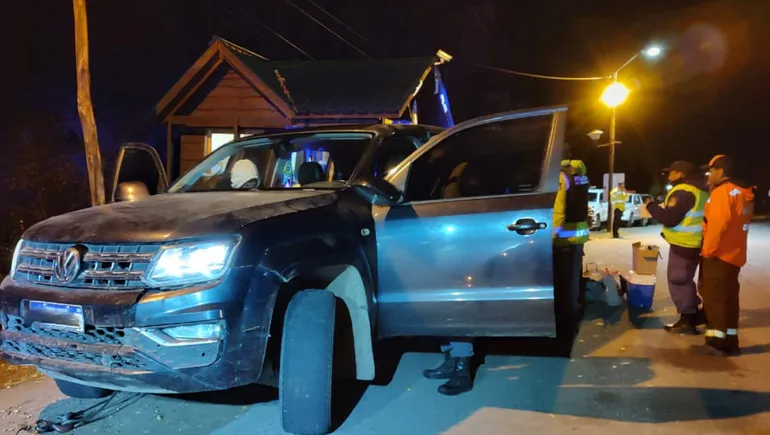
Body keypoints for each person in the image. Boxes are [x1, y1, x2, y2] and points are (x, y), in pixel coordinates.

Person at [644, 161, 708, 334]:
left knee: (678, 280)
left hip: (684, 243)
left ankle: (688, 319)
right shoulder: (700, 190)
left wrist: (651, 207)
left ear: (680, 173)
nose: (668, 175)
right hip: (696, 242)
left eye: (671, 172)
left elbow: (670, 218)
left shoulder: (683, 191)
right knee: (685, 280)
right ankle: (694, 314)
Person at [699, 155, 753, 356]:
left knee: (714, 298)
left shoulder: (722, 192)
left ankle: (717, 340)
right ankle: (730, 340)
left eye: (711, 171)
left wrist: (707, 251)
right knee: (729, 298)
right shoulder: (743, 192)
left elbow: (718, 224)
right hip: (735, 255)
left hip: (719, 255)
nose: (709, 175)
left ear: (720, 171)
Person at [553, 159, 590, 317]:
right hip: (578, 234)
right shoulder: (580, 176)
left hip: (565, 237)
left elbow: (559, 210)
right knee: (574, 277)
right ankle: (574, 305)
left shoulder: (562, 177)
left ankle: (568, 313)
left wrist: (552, 235)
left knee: (565, 280)